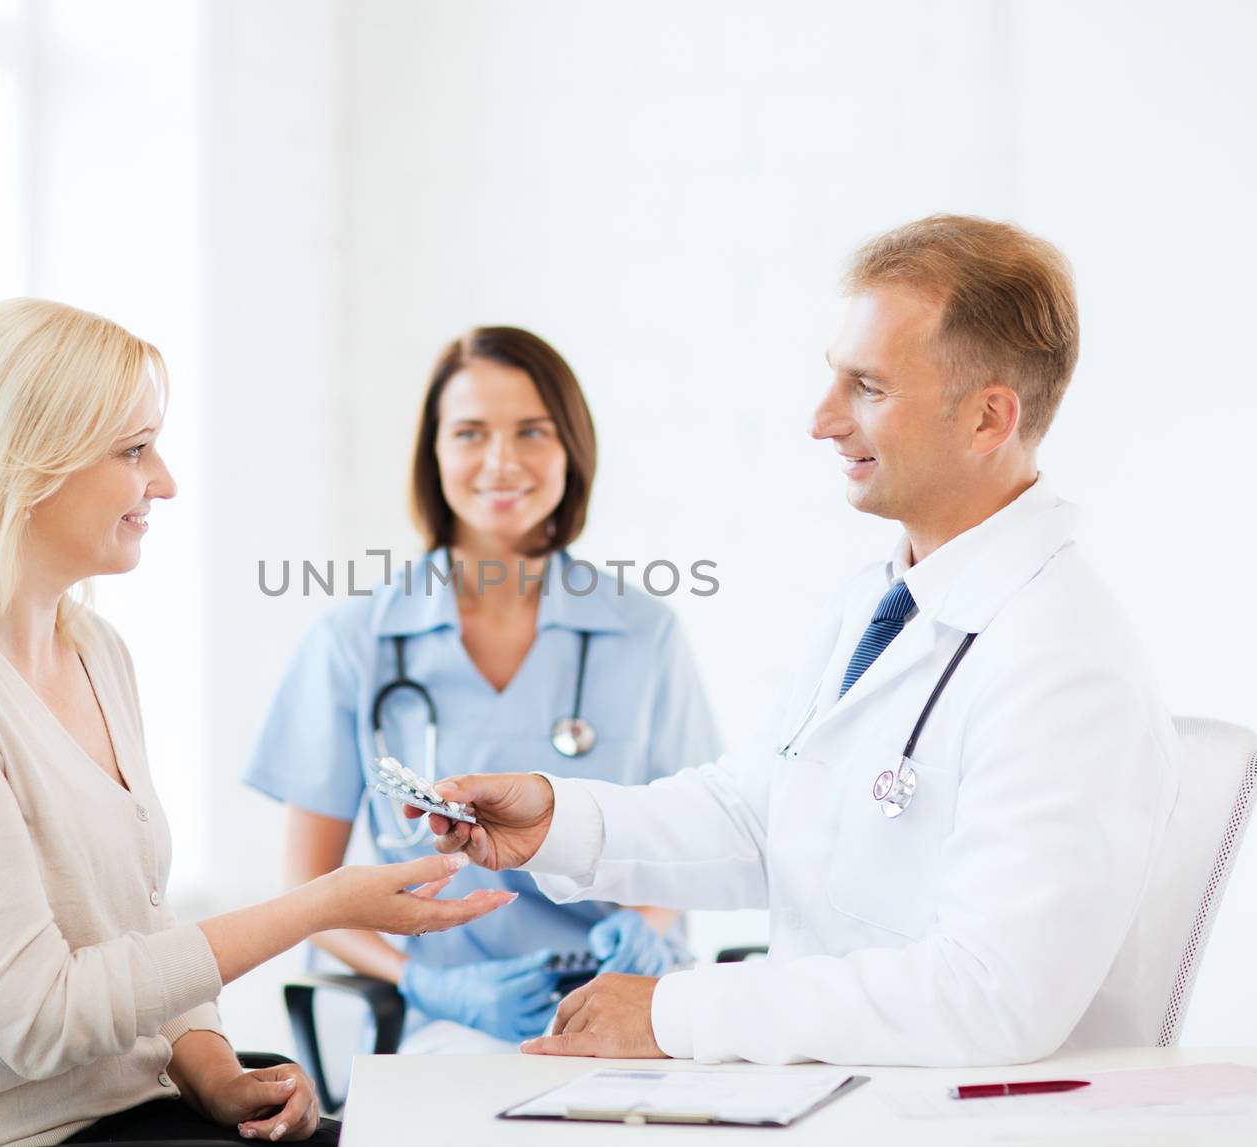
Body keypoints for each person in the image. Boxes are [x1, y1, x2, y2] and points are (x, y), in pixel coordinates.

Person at [416, 216, 1179, 1067]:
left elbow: (988, 999)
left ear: (987, 419)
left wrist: (676, 1015)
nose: (822, 420)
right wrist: (559, 821)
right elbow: (762, 815)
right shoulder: (884, 603)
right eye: (833, 380)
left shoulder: (1063, 658)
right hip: (846, 1095)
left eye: (869, 388)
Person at [0, 299, 512, 1146]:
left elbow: (140, 932)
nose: (164, 481)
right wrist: (317, 907)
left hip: (132, 1108)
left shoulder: (92, 647)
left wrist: (212, 1069)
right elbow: (41, 1018)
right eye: (134, 451)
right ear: (28, 467)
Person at [244, 327, 720, 1054]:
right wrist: (426, 984)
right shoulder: (354, 642)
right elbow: (306, 892)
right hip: (448, 1020)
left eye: (532, 430)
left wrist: (647, 929)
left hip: (624, 1003)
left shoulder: (645, 634)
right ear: (435, 455)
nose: (502, 461)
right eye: (470, 432)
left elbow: (704, 837)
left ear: (571, 448)